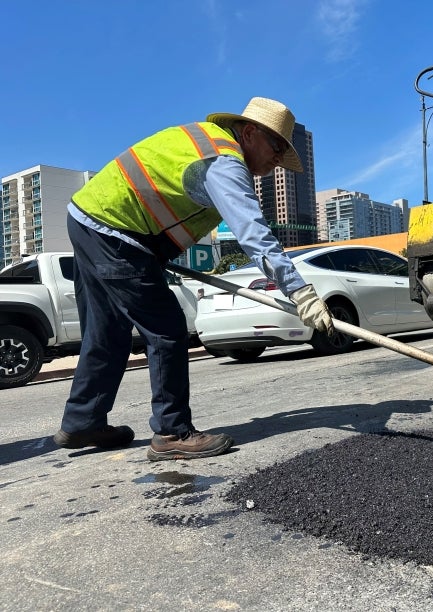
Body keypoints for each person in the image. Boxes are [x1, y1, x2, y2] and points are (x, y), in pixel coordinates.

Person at [53, 97, 334, 461]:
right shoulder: (224, 162)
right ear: (249, 133)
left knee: (106, 331)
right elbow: (254, 236)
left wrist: (151, 252)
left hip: (90, 219)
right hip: (116, 230)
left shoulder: (205, 141)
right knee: (167, 328)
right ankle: (171, 433)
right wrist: (300, 292)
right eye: (277, 146)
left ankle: (82, 422)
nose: (278, 159)